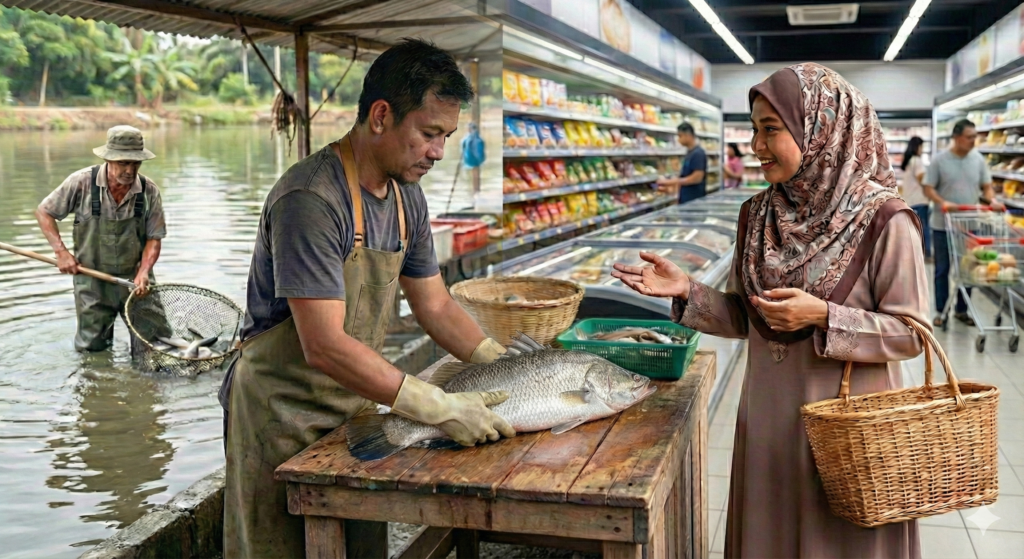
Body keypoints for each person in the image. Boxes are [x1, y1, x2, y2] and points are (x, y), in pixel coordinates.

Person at [612, 63, 928, 558]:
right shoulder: (757, 215)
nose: (756, 147)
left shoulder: (885, 220)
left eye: (770, 130)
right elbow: (749, 317)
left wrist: (824, 315)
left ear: (821, 129)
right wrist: (688, 291)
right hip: (768, 419)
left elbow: (911, 334)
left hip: (848, 430)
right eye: (754, 129)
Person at [219, 39, 515, 559]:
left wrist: (503, 361)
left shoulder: (407, 197)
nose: (439, 152)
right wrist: (435, 405)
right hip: (279, 411)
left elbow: (437, 306)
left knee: (359, 545)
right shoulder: (311, 199)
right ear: (380, 116)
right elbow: (325, 345)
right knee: (276, 547)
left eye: (446, 136)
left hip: (355, 405)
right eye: (429, 134)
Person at [35, 125, 165, 352]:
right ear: (108, 159)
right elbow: (44, 212)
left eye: (135, 163)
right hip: (92, 281)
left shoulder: (148, 190)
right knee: (92, 351)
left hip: (136, 282)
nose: (130, 170)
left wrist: (144, 271)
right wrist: (61, 252)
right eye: (123, 162)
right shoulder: (81, 182)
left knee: (155, 346)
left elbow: (154, 238)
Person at [923, 118, 1003, 327]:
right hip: (943, 225)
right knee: (943, 269)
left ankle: (961, 309)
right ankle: (941, 311)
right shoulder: (939, 160)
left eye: (974, 137)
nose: (973, 141)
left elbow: (986, 186)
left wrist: (992, 199)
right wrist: (942, 202)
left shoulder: (978, 160)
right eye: (969, 137)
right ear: (956, 138)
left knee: (968, 268)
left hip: (970, 224)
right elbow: (928, 188)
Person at [657, 121, 707, 204]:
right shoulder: (689, 153)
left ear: (688, 135)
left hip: (695, 202)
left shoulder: (698, 153)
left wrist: (673, 181)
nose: (678, 140)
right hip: (687, 199)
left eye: (680, 136)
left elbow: (697, 178)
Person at [900, 136, 931, 259]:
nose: (922, 150)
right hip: (919, 200)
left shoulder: (909, 160)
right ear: (917, 147)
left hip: (910, 199)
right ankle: (925, 252)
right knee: (923, 228)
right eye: (922, 146)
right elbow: (923, 180)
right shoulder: (917, 161)